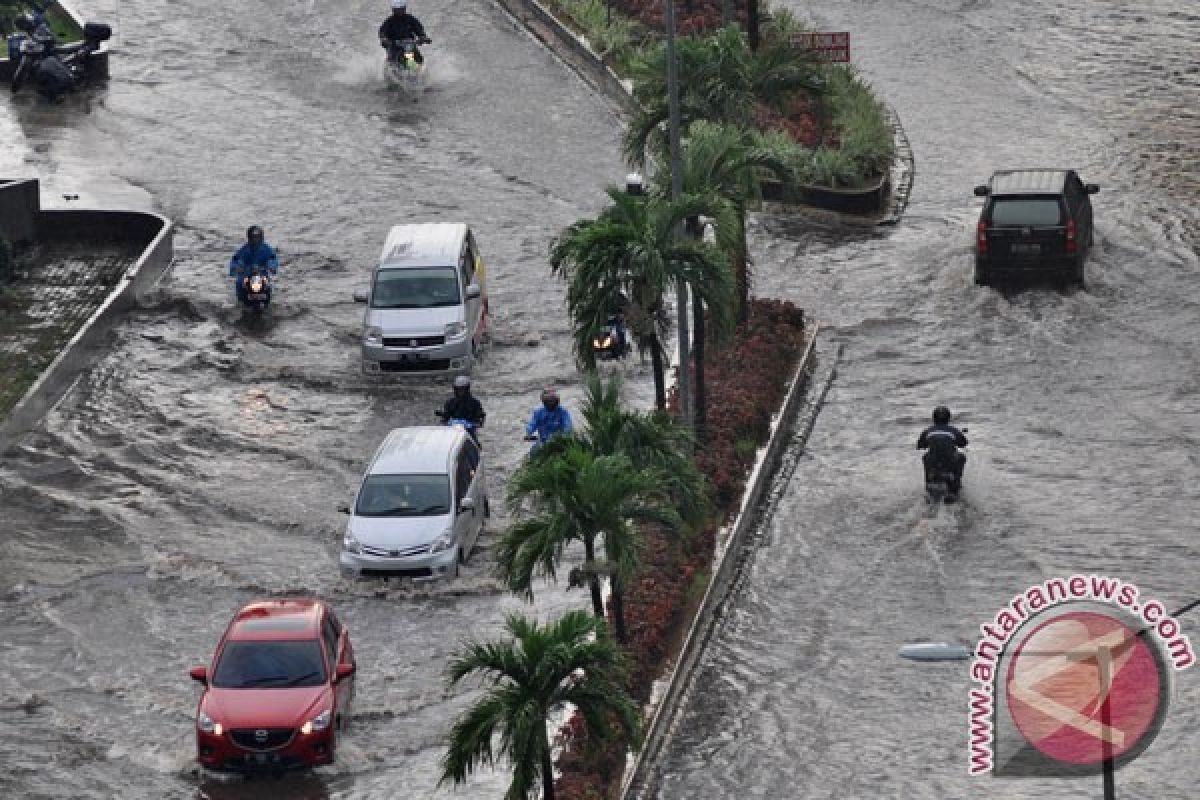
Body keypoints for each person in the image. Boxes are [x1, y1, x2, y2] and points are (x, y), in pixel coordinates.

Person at [917, 405, 968, 491]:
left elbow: (919, 445)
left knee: (925, 457)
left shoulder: (927, 430)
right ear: (948, 418)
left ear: (934, 418)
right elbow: (964, 443)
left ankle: (928, 481)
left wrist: (926, 444)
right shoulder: (954, 430)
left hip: (933, 461)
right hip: (950, 460)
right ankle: (957, 481)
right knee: (962, 457)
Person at [229, 225, 279, 307]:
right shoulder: (244, 250)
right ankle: (241, 302)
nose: (256, 240)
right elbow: (236, 260)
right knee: (239, 283)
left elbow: (272, 259)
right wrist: (237, 267)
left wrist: (272, 266)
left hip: (261, 275)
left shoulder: (267, 249)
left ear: (262, 237)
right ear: (249, 238)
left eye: (258, 237)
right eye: (254, 237)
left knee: (268, 285)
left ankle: (267, 303)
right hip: (246, 275)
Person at [379, 0, 430, 64]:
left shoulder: (410, 19)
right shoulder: (389, 21)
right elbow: (382, 31)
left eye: (401, 9)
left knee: (419, 59)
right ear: (393, 9)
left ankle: (420, 70)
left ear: (404, 8)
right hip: (395, 46)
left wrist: (423, 37)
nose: (399, 11)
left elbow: (418, 28)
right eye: (397, 9)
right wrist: (384, 39)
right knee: (393, 59)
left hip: (409, 45)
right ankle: (391, 70)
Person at [440, 375, 485, 442]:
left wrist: (478, 423)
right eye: (458, 389)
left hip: (469, 430)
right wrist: (444, 420)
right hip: (454, 430)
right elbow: (446, 416)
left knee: (475, 443)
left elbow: (480, 415)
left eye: (462, 389)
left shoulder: (475, 403)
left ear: (467, 389)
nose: (460, 392)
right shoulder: (450, 402)